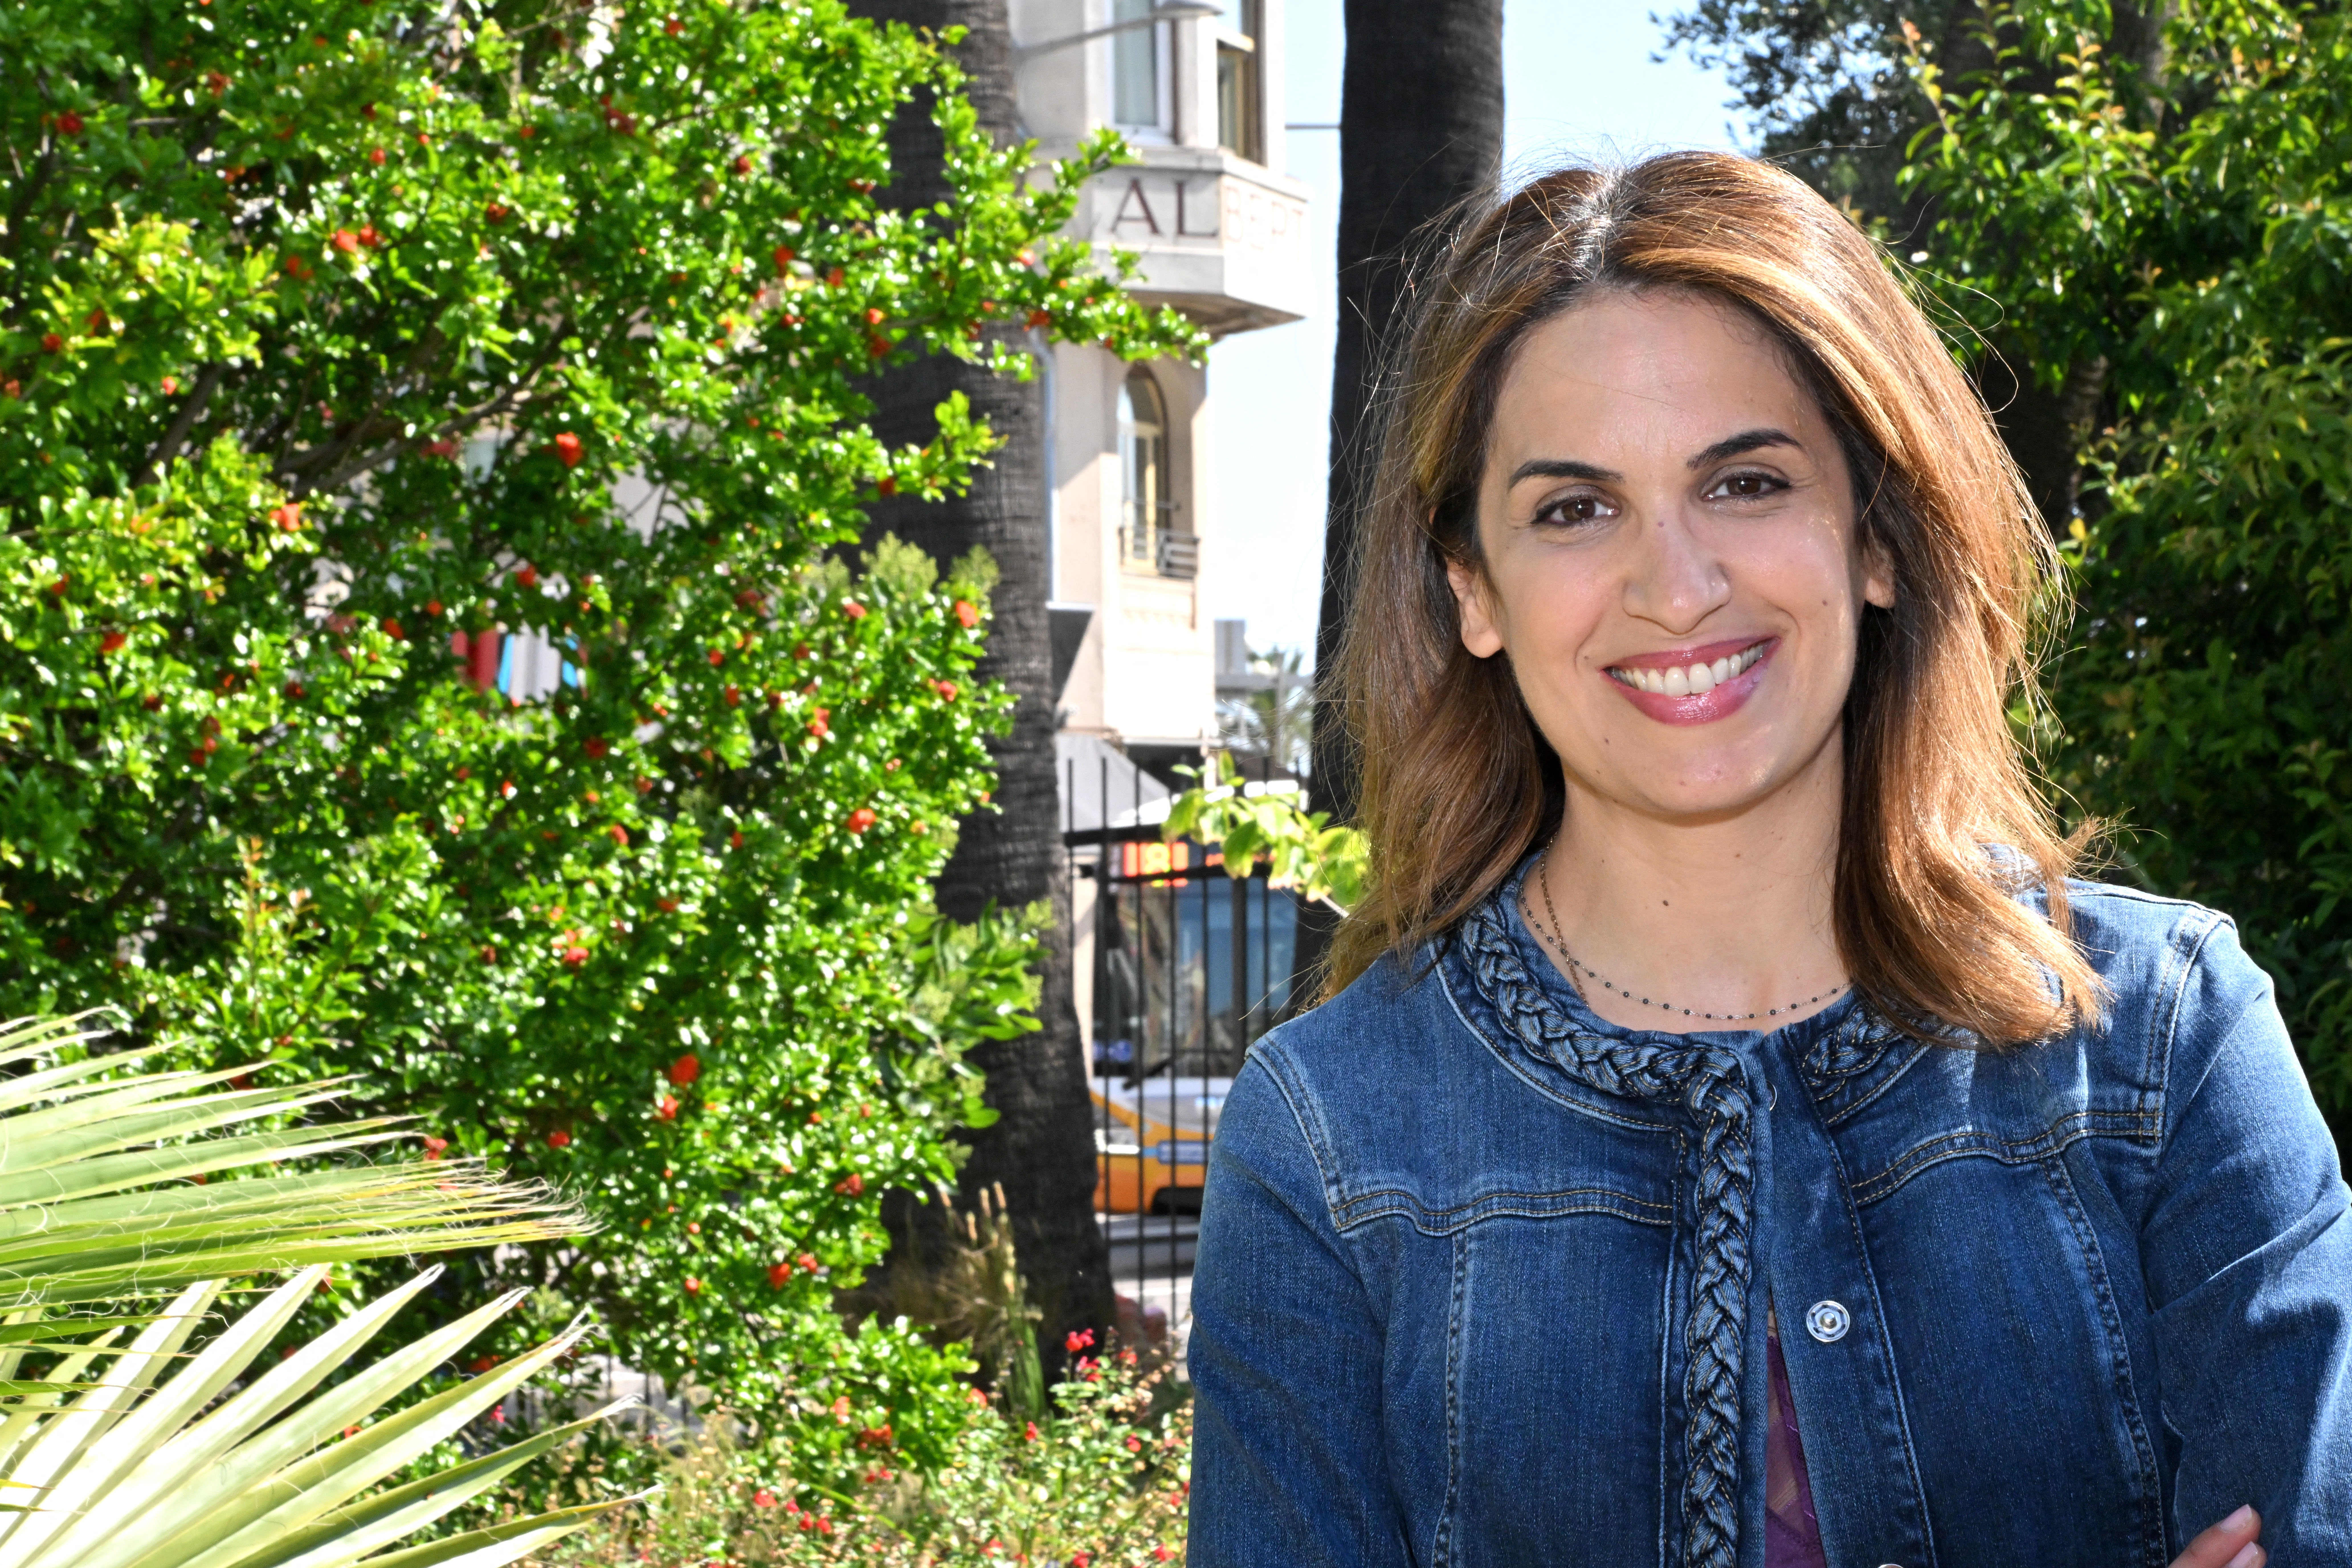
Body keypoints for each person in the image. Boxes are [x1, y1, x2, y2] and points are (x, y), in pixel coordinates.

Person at [1187, 153, 2352, 1568]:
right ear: (1471, 588)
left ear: (1875, 538)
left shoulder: (2168, 1041)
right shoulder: (1328, 1138)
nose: (1677, 587)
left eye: (1745, 483)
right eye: (1574, 508)